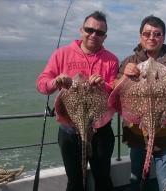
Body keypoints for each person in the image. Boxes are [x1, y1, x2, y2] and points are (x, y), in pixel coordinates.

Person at [36, 11, 119, 191]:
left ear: (105, 36)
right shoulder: (61, 54)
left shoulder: (111, 59)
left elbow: (114, 93)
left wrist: (103, 85)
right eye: (89, 30)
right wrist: (55, 81)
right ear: (81, 30)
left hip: (100, 129)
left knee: (103, 178)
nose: (94, 35)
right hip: (69, 131)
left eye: (100, 32)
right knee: (74, 181)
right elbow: (42, 85)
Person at [115, 15, 166, 191]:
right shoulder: (129, 62)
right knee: (136, 180)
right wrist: (125, 76)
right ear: (140, 36)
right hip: (137, 135)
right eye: (147, 34)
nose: (151, 38)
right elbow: (115, 91)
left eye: (157, 34)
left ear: (163, 37)